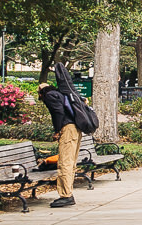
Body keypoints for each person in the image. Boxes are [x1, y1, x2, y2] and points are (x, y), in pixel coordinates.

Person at [37, 63, 98, 207]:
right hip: (76, 129)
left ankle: (66, 195)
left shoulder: (50, 96)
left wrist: (57, 131)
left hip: (68, 129)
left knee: (64, 162)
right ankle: (67, 192)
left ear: (41, 92)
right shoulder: (61, 93)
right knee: (70, 162)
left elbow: (58, 113)